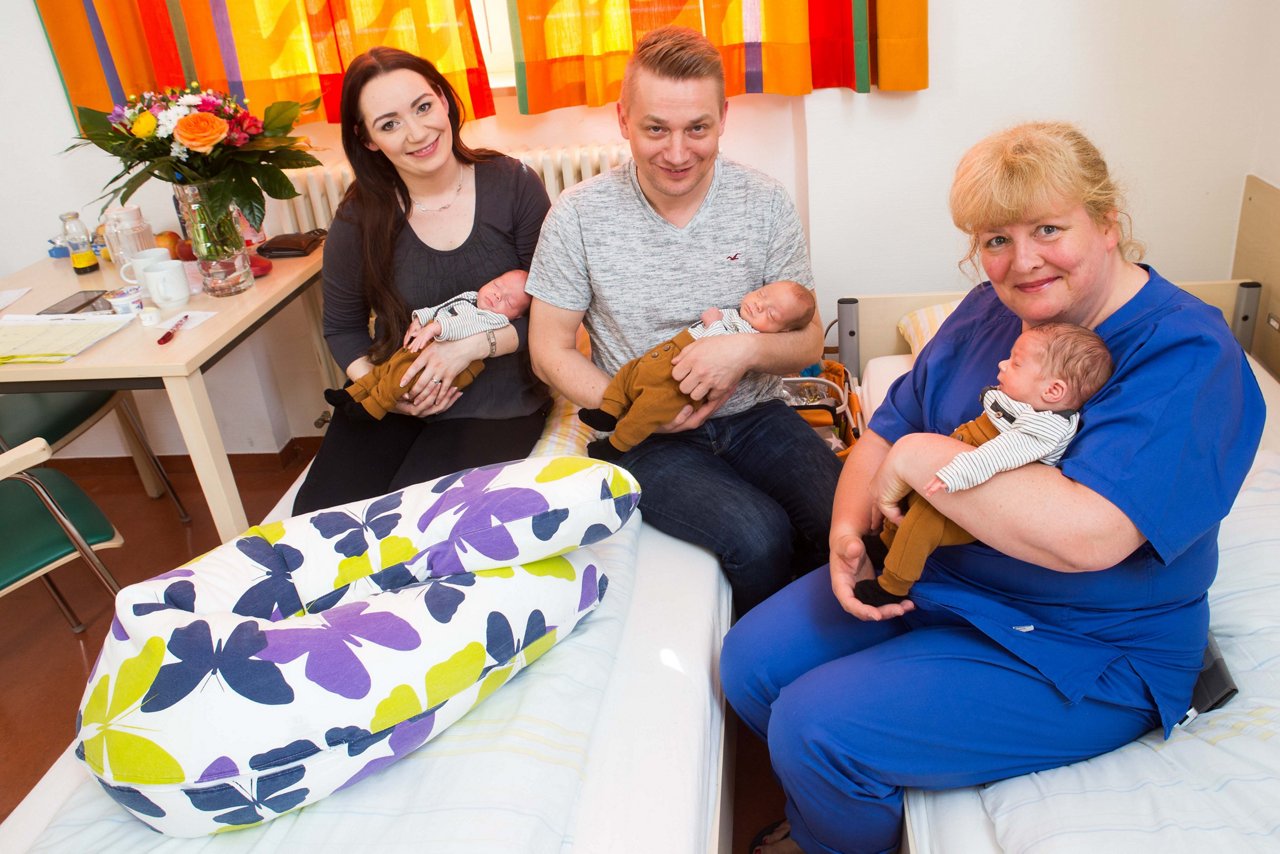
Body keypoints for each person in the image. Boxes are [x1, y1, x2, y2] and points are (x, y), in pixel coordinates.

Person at [720, 121, 1265, 854]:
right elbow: (886, 428)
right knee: (749, 663)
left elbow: (1093, 534)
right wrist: (848, 528)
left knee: (815, 730)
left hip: (1085, 646)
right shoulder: (991, 310)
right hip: (938, 581)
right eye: (996, 239)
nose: (1022, 261)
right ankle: (836, 808)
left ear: (1108, 223)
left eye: (1048, 228)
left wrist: (921, 459)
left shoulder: (1188, 354)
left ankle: (836, 822)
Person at [525, 27, 843, 616]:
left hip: (755, 416)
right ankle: (756, 680)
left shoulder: (765, 202)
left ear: (723, 117)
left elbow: (808, 341)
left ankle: (825, 655)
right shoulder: (577, 216)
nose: (677, 152)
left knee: (839, 515)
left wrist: (743, 352)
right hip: (644, 438)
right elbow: (548, 350)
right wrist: (631, 406)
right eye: (656, 129)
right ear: (623, 119)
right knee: (759, 536)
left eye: (697, 128)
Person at [293, 47, 551, 515]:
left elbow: (558, 313)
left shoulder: (512, 185)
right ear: (368, 139)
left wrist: (470, 347)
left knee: (410, 525)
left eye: (423, 107)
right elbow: (343, 327)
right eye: (389, 124)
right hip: (396, 392)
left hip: (495, 403)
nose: (417, 133)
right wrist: (385, 394)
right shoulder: (359, 216)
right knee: (316, 524)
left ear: (445, 99)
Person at [856, 322, 1113, 607]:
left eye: (1016, 363)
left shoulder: (1045, 428)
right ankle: (885, 545)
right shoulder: (1024, 403)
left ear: (1053, 390)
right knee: (909, 498)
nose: (1002, 363)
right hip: (960, 473)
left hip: (974, 489)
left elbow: (999, 455)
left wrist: (955, 473)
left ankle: (893, 584)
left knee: (922, 521)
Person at [578, 280, 816, 460]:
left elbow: (719, 348)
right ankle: (607, 411)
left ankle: (616, 445)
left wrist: (713, 324)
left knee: (645, 412)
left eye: (770, 314)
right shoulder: (739, 314)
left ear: (781, 332)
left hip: (678, 386)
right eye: (762, 294)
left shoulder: (754, 334)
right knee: (626, 374)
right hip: (662, 358)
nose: (758, 305)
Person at [323, 270, 531, 421]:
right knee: (386, 369)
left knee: (402, 376)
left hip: (453, 364)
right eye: (497, 284)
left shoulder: (496, 320)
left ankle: (373, 407)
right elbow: (441, 308)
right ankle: (353, 393)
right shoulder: (471, 298)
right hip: (426, 342)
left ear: (516, 316)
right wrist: (420, 320)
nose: (497, 294)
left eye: (509, 301)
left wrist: (437, 328)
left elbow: (464, 327)